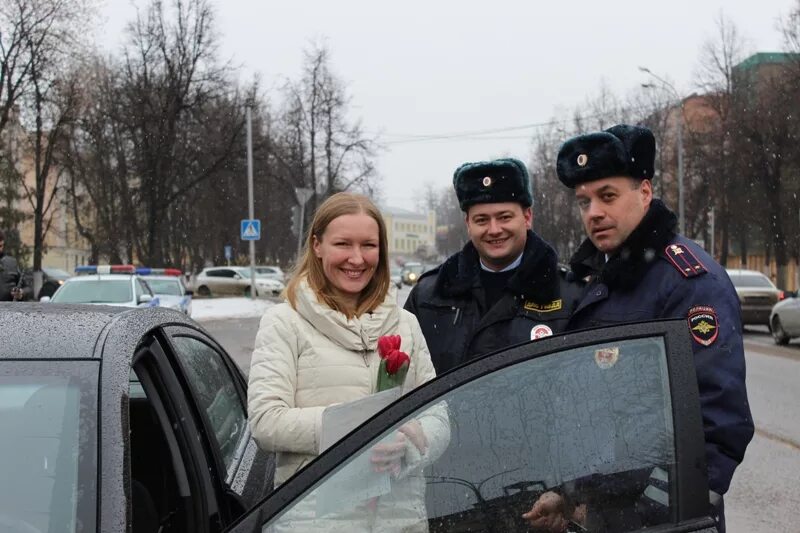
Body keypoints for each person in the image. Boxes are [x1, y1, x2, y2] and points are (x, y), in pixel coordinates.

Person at [523, 124, 753, 532]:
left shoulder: (688, 283)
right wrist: (569, 492)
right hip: (605, 515)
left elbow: (718, 425)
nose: (593, 212)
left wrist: (654, 515)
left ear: (644, 193)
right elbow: (596, 411)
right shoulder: (600, 279)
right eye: (583, 201)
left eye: (607, 196)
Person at [248, 192, 449, 531]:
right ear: (317, 245)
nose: (357, 258)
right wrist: (357, 430)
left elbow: (438, 418)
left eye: (369, 245)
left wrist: (409, 444)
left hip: (399, 523)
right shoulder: (284, 323)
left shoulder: (406, 324)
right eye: (343, 243)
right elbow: (267, 422)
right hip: (314, 524)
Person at [405, 157, 583, 374]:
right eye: (481, 220)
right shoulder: (428, 296)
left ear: (527, 218)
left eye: (504, 217)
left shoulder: (570, 294)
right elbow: (405, 378)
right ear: (468, 225)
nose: (494, 229)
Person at [0, 229, 31, 302]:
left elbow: (28, 288)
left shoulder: (11, 263)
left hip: (8, 310)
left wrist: (21, 293)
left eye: (0, 246)